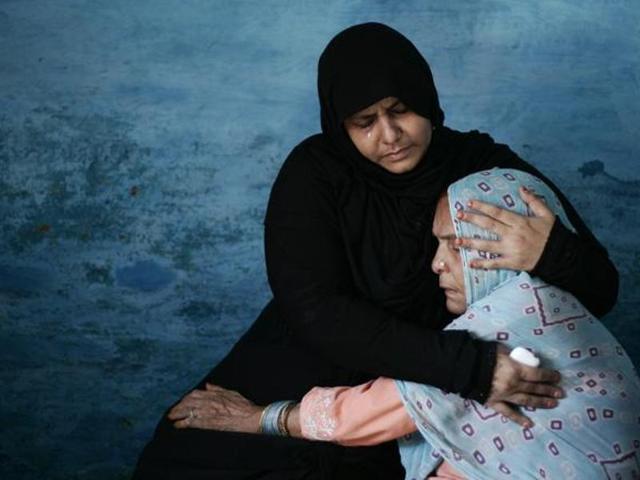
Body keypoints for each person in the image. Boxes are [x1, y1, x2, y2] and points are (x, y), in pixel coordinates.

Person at [133, 23, 619, 479]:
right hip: (320, 358)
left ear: (426, 99)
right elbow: (315, 308)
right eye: (364, 121)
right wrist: (469, 368)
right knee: (188, 456)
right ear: (339, 124)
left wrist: (548, 250)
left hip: (424, 389)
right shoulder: (317, 171)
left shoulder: (483, 168)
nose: (389, 135)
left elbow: (601, 290)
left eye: (401, 110)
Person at [174, 169, 639, 479]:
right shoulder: (561, 310)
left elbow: (361, 416)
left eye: (456, 246)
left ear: (509, 245)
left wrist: (258, 418)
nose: (436, 264)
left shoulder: (505, 323)